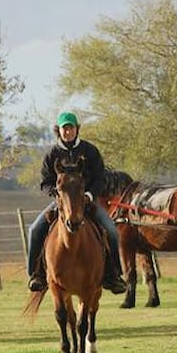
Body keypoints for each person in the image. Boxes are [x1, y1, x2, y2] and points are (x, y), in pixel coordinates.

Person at [26, 111, 127, 294]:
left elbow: (100, 178)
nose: (68, 132)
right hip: (61, 203)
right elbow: (45, 183)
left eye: (71, 128)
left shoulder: (90, 151)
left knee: (111, 230)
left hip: (87, 202)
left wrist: (89, 195)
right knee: (34, 230)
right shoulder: (52, 154)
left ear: (76, 129)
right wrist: (56, 195)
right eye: (64, 128)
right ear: (59, 130)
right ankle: (36, 275)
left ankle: (114, 276)